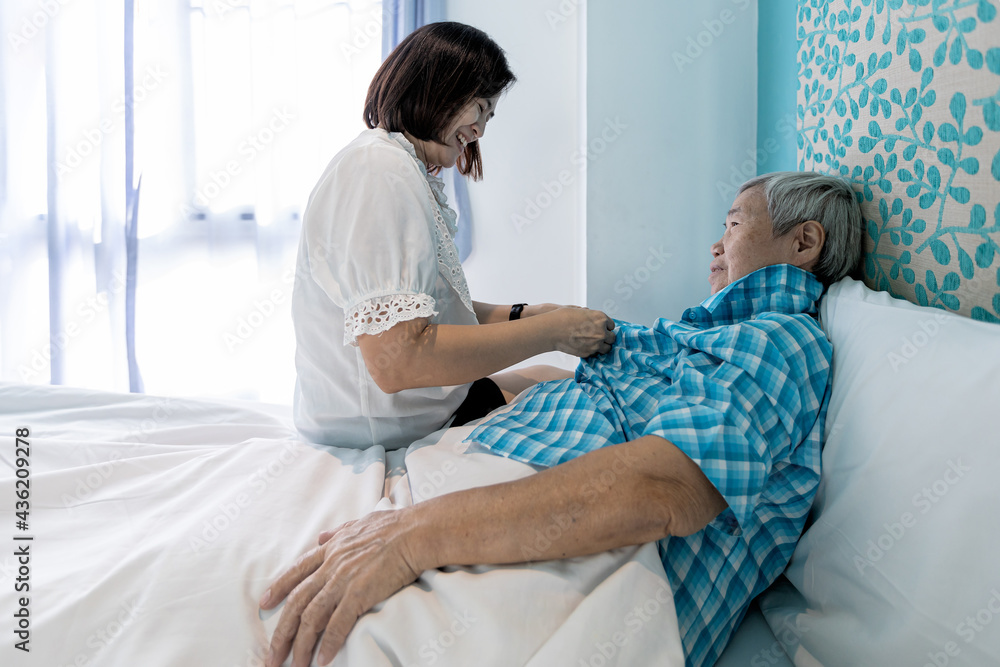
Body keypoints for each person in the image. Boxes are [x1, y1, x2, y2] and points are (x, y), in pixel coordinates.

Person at [260, 171, 865, 667]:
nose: (716, 244)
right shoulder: (704, 337)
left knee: (288, 629)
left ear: (803, 243)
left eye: (733, 225)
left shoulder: (782, 341)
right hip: (465, 485)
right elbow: (586, 391)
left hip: (569, 551)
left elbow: (661, 488)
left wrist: (412, 537)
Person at [291, 22, 614, 449]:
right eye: (479, 108)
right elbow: (399, 363)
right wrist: (552, 333)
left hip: (422, 410)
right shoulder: (381, 173)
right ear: (438, 86)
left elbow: (424, 310)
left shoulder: (393, 166)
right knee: (590, 408)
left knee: (559, 383)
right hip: (394, 428)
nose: (480, 130)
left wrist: (526, 315)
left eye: (488, 116)